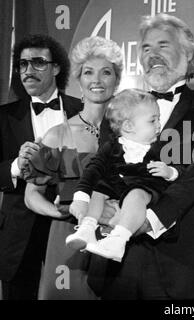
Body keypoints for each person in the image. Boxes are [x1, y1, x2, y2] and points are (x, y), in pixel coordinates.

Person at [89, 13, 194, 300]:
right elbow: (107, 169)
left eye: (163, 46)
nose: (153, 54)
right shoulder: (120, 107)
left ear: (188, 53)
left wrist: (149, 220)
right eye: (146, 48)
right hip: (119, 270)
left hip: (181, 265)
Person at [23, 36, 122, 299]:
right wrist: (60, 213)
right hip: (69, 240)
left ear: (117, 80)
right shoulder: (58, 134)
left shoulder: (130, 132)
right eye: (88, 72)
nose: (97, 80)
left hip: (116, 238)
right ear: (78, 79)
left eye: (106, 72)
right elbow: (31, 195)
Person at [0, 34, 82, 300]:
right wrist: (16, 166)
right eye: (22, 65)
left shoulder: (82, 110)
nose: (28, 71)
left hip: (70, 226)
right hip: (18, 237)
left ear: (56, 68)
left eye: (37, 63)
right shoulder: (4, 116)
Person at [67, 89, 185, 263]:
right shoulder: (112, 146)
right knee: (99, 189)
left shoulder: (160, 148)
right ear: (128, 126)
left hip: (147, 189)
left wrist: (170, 172)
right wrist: (80, 196)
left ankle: (118, 240)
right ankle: (87, 228)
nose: (159, 125)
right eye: (153, 120)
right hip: (119, 188)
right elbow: (93, 168)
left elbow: (181, 169)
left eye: (159, 119)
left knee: (135, 194)